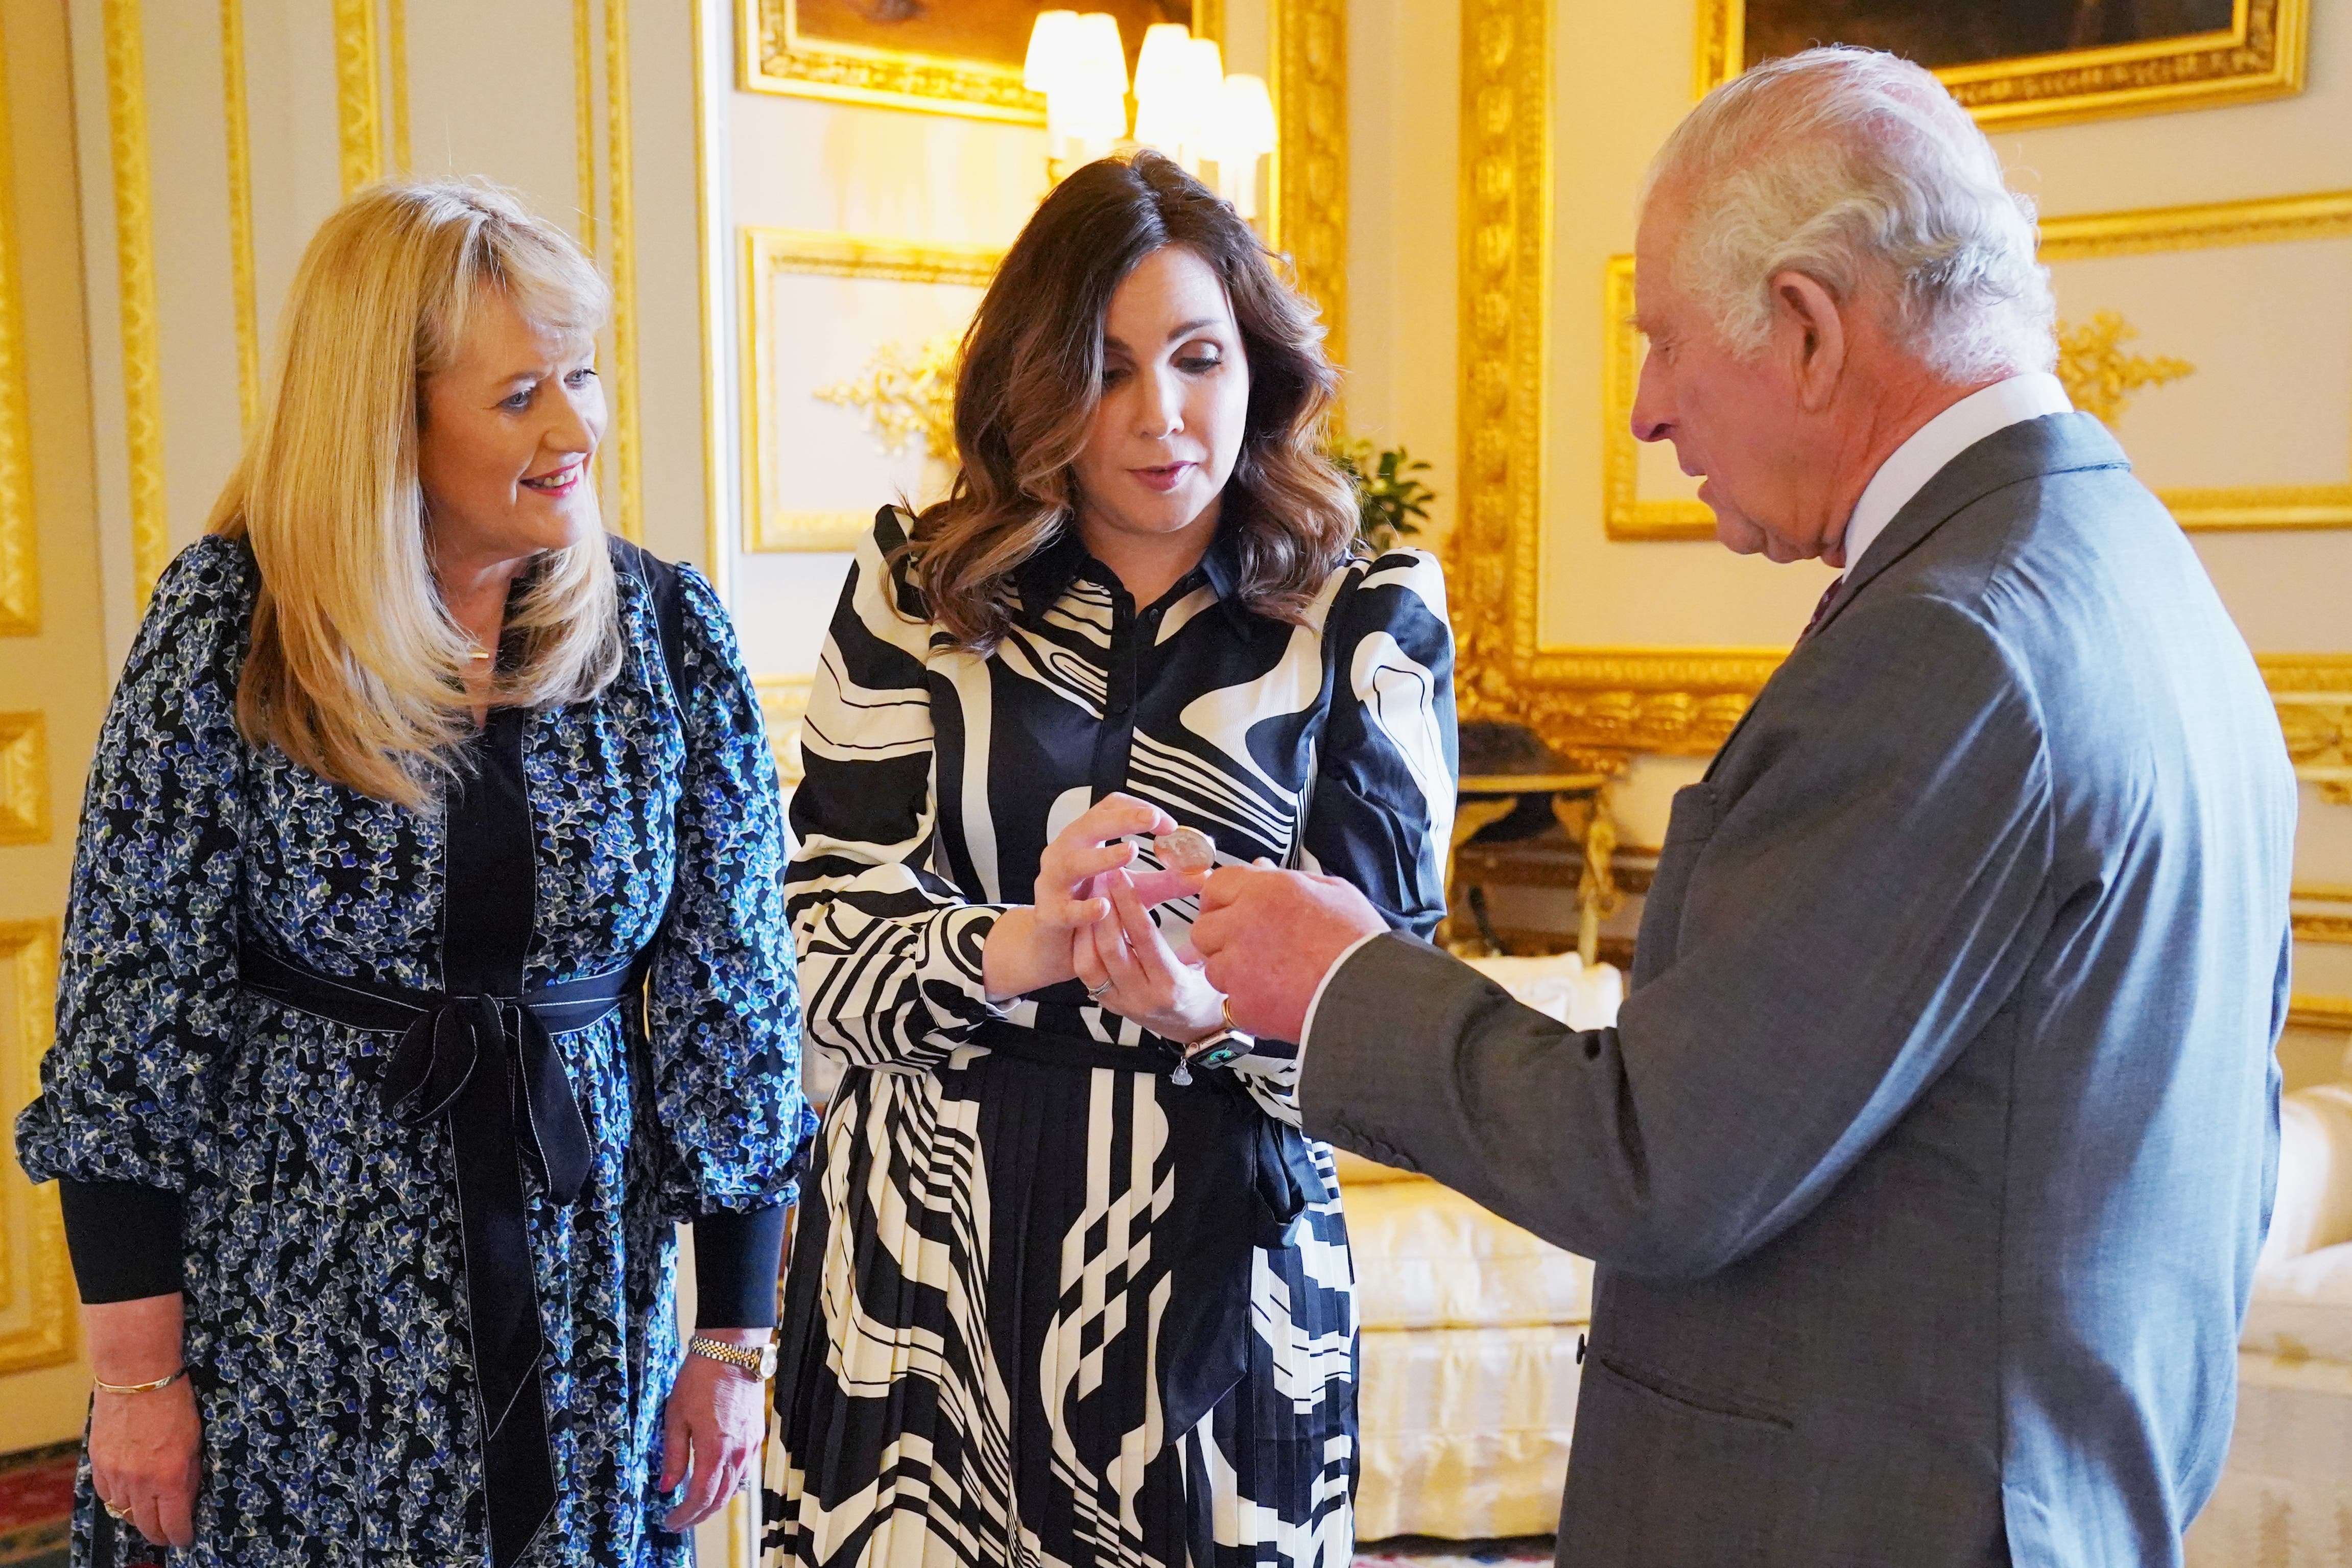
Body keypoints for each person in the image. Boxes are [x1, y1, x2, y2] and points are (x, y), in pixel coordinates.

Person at [1193, 47, 2296, 1568]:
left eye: (1658, 343)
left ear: (1805, 328)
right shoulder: (2135, 567)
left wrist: (1336, 983)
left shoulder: (1953, 646)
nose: (1645, 414)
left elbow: (1659, 1159)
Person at [14, 180, 813, 1567]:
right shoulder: (233, 630)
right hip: (302, 1304)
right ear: (388, 415)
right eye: (519, 397)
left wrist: (734, 1343)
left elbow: (733, 1016)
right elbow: (130, 1033)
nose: (575, 429)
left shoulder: (667, 636)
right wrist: (137, 1383)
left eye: (582, 376)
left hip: (584, 1302)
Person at [762, 150, 1455, 1568]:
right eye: (1107, 368)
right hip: (913, 1279)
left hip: (1221, 1288)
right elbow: (813, 948)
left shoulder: (1365, 624)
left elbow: (1400, 1022)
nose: (1160, 416)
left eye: (1198, 359)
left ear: (1257, 364)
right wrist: (1028, 939)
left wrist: (1216, 1019)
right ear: (1039, 384)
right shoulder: (919, 590)